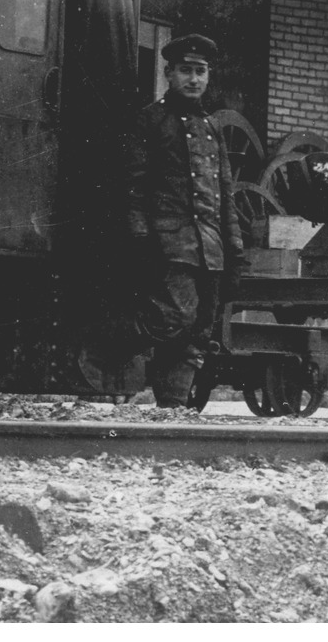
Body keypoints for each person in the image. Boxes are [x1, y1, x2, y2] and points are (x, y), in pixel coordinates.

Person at [125, 33, 247, 408]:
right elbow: (134, 189)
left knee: (199, 330)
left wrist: (235, 251)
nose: (193, 80)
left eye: (200, 72)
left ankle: (172, 407)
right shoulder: (150, 121)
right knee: (173, 320)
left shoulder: (212, 128)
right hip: (169, 245)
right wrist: (142, 240)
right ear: (168, 74)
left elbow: (225, 196)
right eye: (185, 71)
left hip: (209, 248)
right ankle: (117, 343)